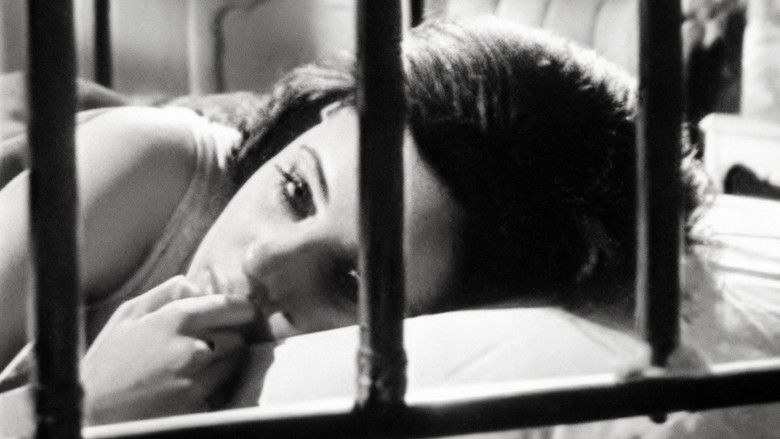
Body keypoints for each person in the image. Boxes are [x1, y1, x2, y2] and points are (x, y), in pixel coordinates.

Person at [2, 18, 767, 428]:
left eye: (350, 279)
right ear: (328, 114)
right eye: (295, 190)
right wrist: (81, 405)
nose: (263, 261)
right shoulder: (140, 171)